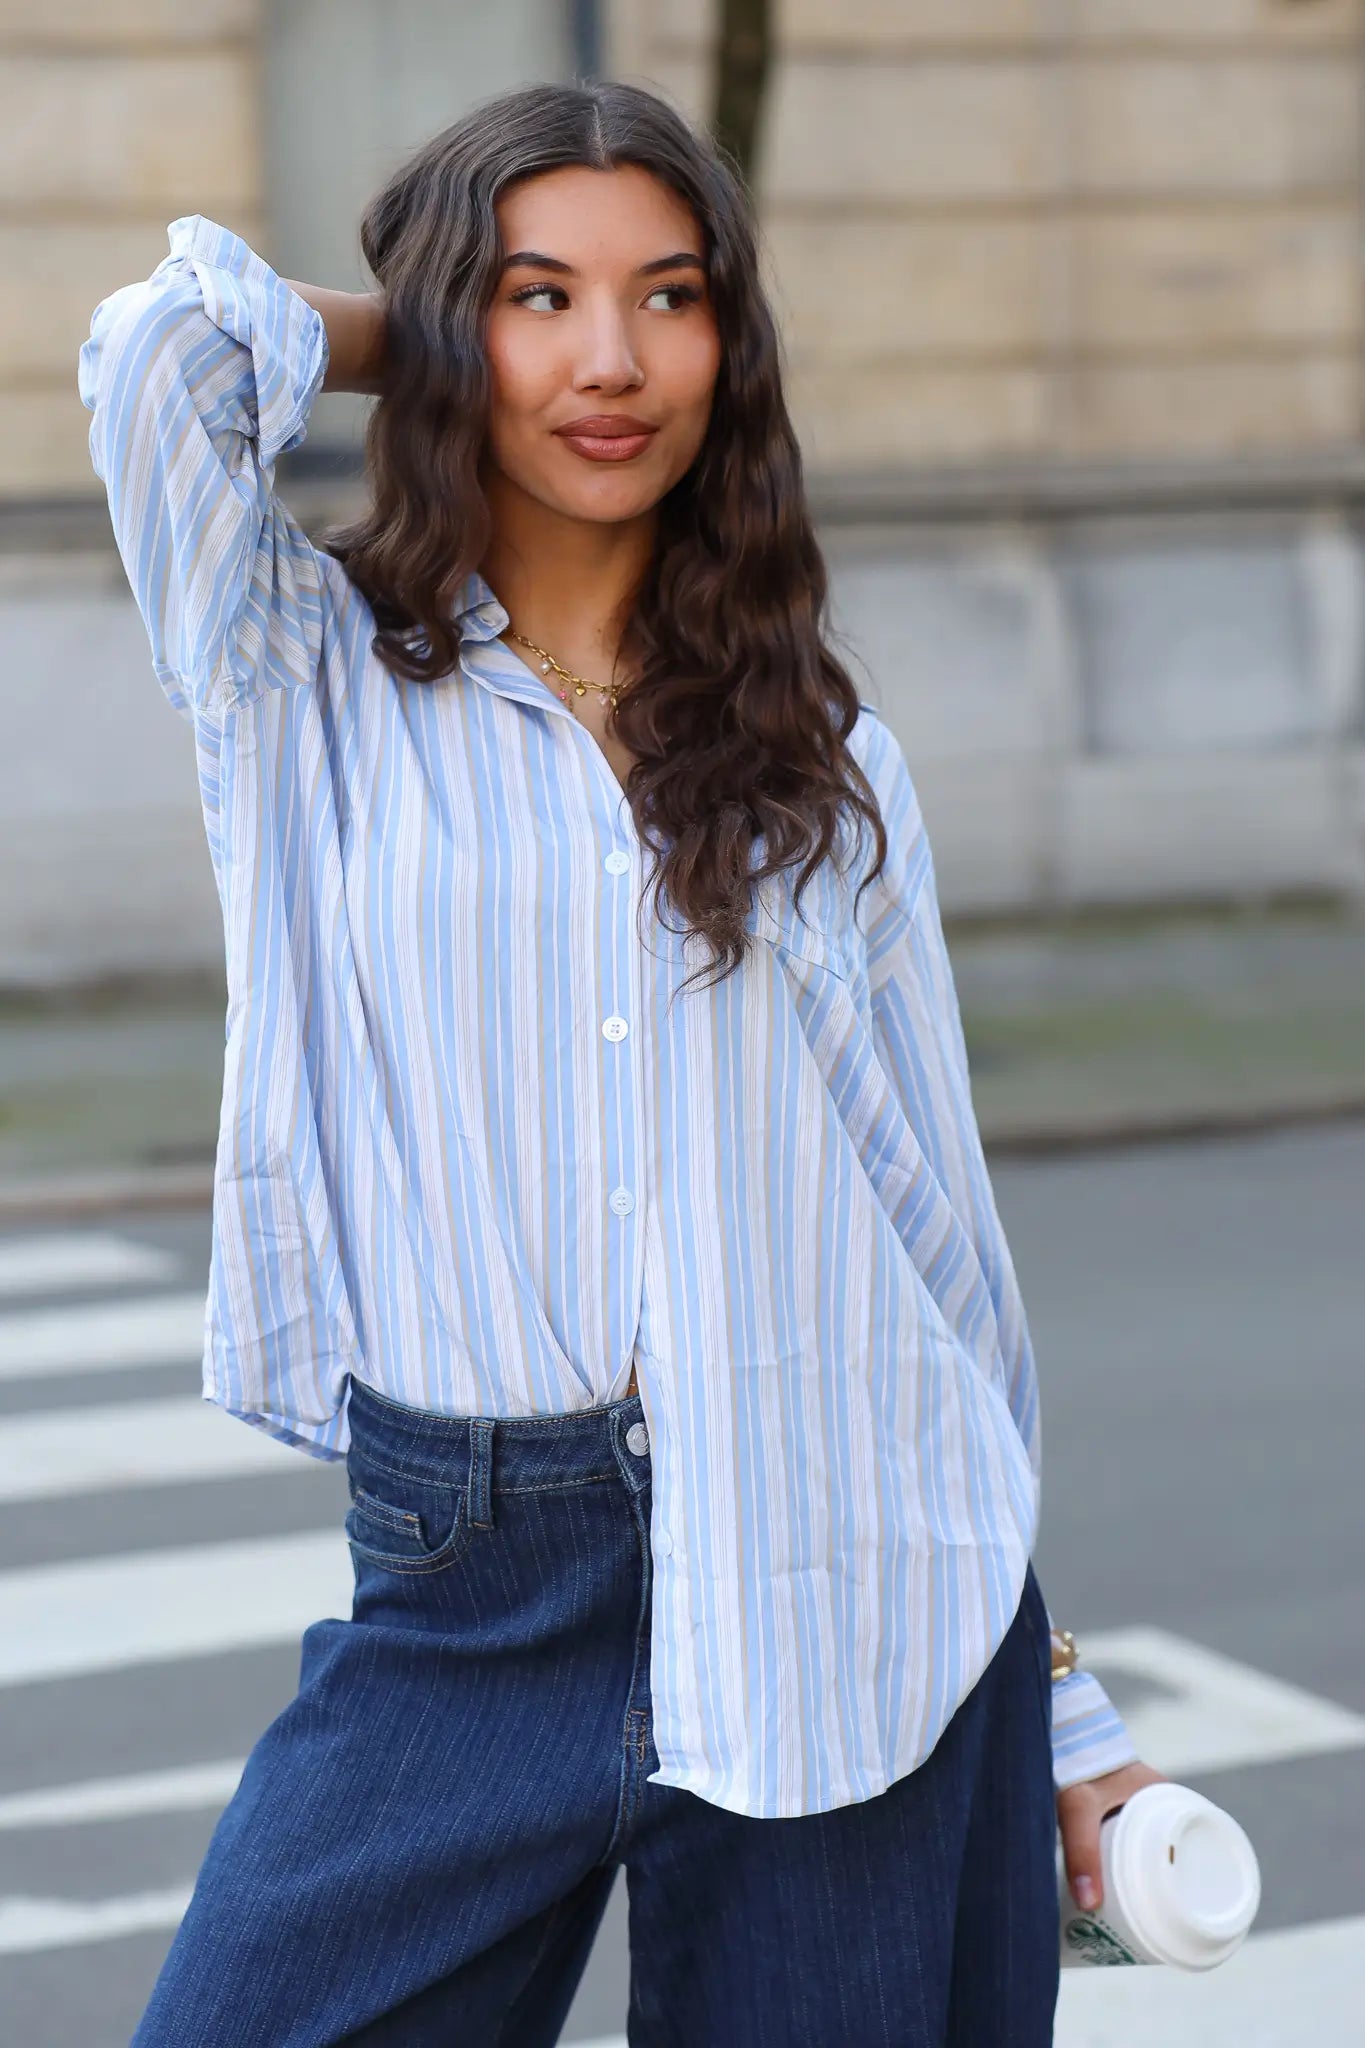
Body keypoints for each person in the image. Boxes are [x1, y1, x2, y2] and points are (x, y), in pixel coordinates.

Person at [79, 78, 1164, 2048]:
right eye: (537, 295)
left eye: (667, 300)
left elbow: (929, 1256)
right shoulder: (304, 672)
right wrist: (405, 327)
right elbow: (155, 358)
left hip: (831, 1556)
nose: (611, 358)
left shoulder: (825, 765)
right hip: (475, 1577)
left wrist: (1062, 1702)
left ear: (727, 346)